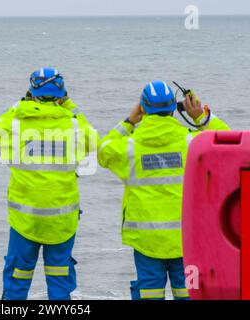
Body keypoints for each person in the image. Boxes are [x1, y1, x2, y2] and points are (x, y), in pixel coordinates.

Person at [98, 80, 230, 300]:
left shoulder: (129, 148)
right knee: (188, 294)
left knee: (150, 295)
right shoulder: (192, 143)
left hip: (147, 240)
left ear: (143, 108)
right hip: (187, 240)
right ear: (173, 108)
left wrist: (129, 121)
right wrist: (201, 117)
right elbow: (227, 142)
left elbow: (103, 150)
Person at [0, 67, 98, 300]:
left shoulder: (16, 124)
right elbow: (95, 141)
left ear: (31, 92)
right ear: (61, 95)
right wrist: (71, 107)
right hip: (61, 219)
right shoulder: (74, 126)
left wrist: (19, 105)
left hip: (25, 219)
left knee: (17, 278)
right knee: (59, 278)